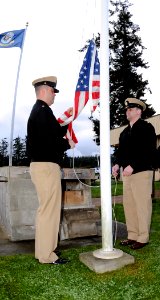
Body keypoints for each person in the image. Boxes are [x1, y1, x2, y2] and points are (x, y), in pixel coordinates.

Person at [27, 76, 74, 264]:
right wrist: (66, 144)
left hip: (42, 166)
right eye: (53, 91)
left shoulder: (40, 111)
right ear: (45, 90)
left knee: (46, 211)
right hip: (46, 166)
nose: (54, 95)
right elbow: (49, 141)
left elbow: (52, 131)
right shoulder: (43, 111)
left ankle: (44, 252)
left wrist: (66, 120)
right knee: (49, 211)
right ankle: (47, 255)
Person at [112, 97, 157, 250]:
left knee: (142, 205)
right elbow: (121, 152)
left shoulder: (146, 128)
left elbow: (149, 151)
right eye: (127, 109)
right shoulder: (124, 132)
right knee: (129, 205)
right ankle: (132, 235)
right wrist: (117, 164)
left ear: (139, 111)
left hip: (141, 172)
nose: (127, 111)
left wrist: (133, 165)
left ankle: (143, 237)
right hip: (127, 174)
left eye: (130, 109)